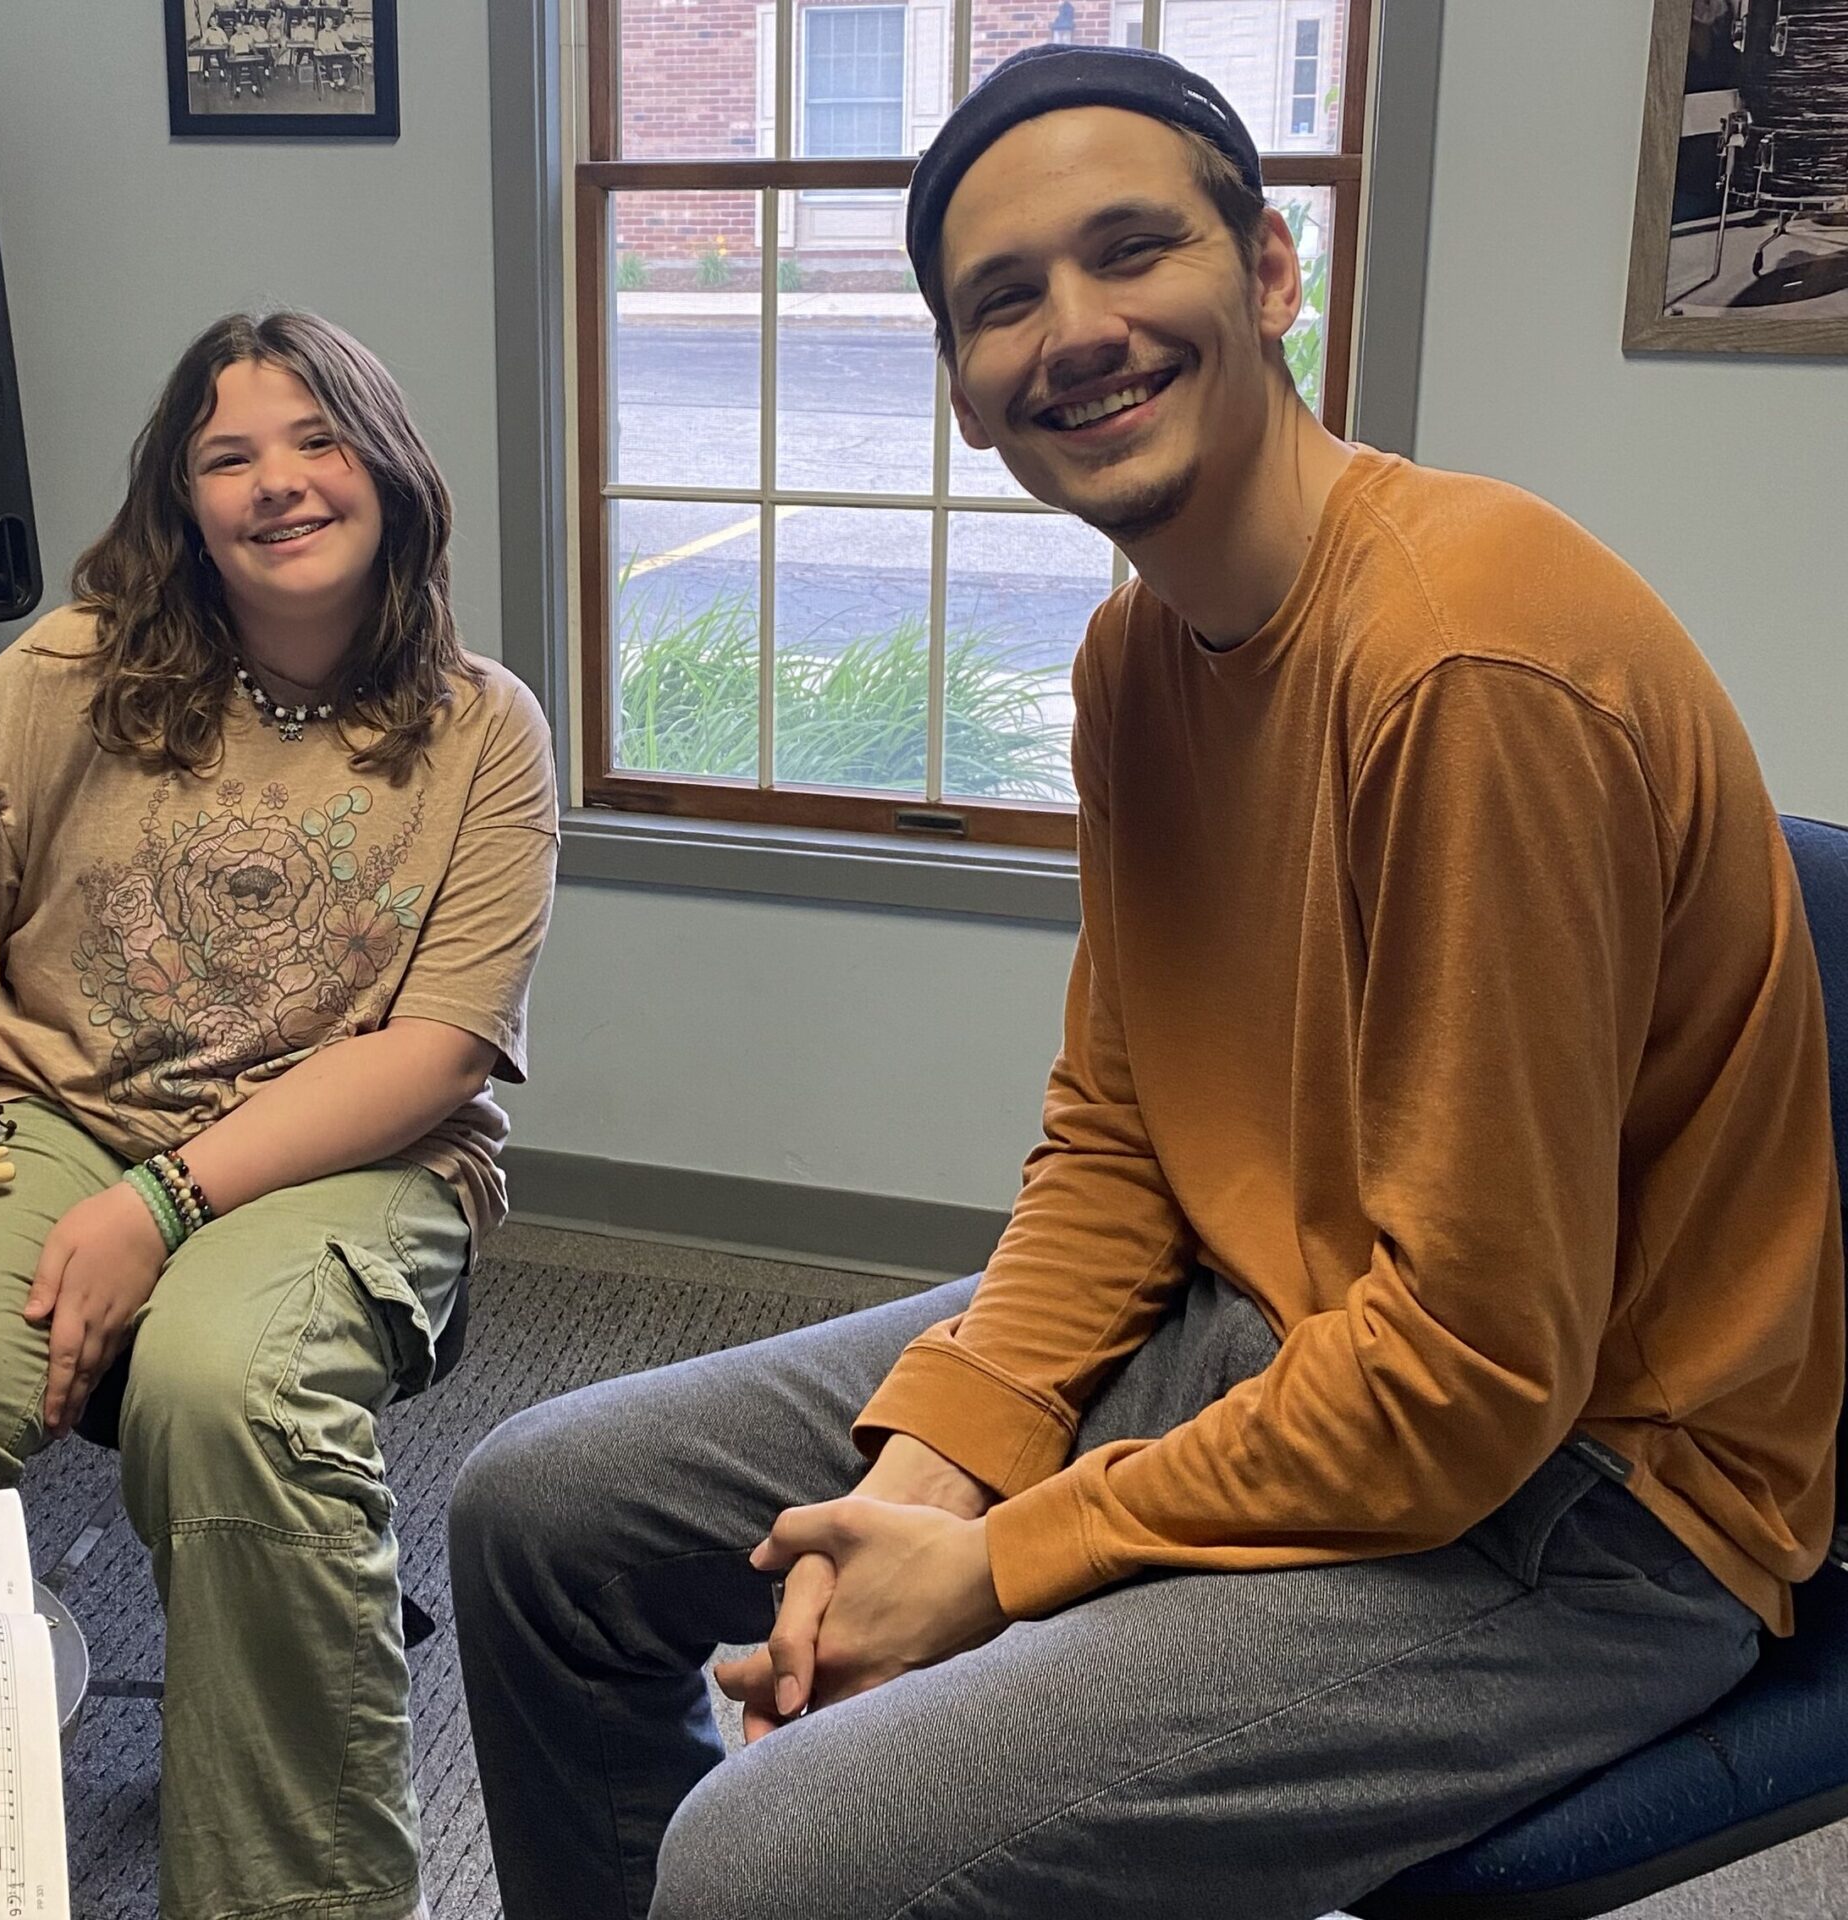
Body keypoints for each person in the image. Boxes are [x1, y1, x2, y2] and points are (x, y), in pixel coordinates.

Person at [448, 44, 1841, 1920]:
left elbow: (1479, 1374)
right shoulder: (1141, 655)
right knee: (541, 1517)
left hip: (1589, 1501)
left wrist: (1012, 1552)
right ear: (961, 389)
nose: (1076, 331)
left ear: (1270, 273)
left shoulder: (1461, 669)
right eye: (1004, 300)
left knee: (774, 1863)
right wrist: (949, 1458)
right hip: (1270, 1321)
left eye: (1131, 253)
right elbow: (1120, 1144)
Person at [0, 309, 557, 1920]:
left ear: (390, 468)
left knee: (227, 1390)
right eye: (228, 456)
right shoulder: (65, 674)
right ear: (179, 503)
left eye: (315, 440)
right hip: (58, 1109)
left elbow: (439, 1049)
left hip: (352, 1151)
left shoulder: (487, 730)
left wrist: (164, 1210)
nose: (278, 484)